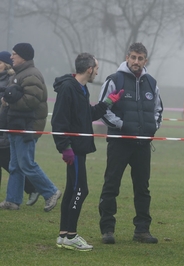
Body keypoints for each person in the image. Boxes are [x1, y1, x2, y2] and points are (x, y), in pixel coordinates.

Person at [52, 53, 123, 251]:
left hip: (79, 149)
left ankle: (63, 236)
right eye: (97, 68)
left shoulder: (81, 88)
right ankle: (71, 236)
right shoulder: (68, 88)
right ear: (90, 69)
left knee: (73, 190)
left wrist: (108, 102)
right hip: (72, 150)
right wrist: (65, 148)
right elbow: (58, 121)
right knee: (81, 190)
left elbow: (86, 115)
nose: (98, 71)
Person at [98, 43, 163, 245]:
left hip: (142, 145)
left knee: (142, 188)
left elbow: (157, 110)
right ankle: (107, 230)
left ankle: (142, 230)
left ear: (146, 60)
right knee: (111, 186)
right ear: (127, 57)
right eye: (133, 57)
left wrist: (151, 128)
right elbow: (102, 109)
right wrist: (122, 126)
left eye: (140, 58)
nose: (136, 61)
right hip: (119, 143)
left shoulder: (152, 83)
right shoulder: (114, 79)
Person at [0, 43, 61, 211]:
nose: (11, 57)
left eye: (14, 54)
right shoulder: (19, 74)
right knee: (15, 165)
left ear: (24, 56)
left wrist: (7, 102)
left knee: (27, 164)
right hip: (16, 126)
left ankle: (51, 191)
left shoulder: (31, 75)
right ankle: (12, 200)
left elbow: (31, 100)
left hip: (27, 127)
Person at [0, 51, 39, 206]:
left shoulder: (11, 79)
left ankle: (33, 188)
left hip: (6, 127)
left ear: (6, 64)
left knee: (10, 163)